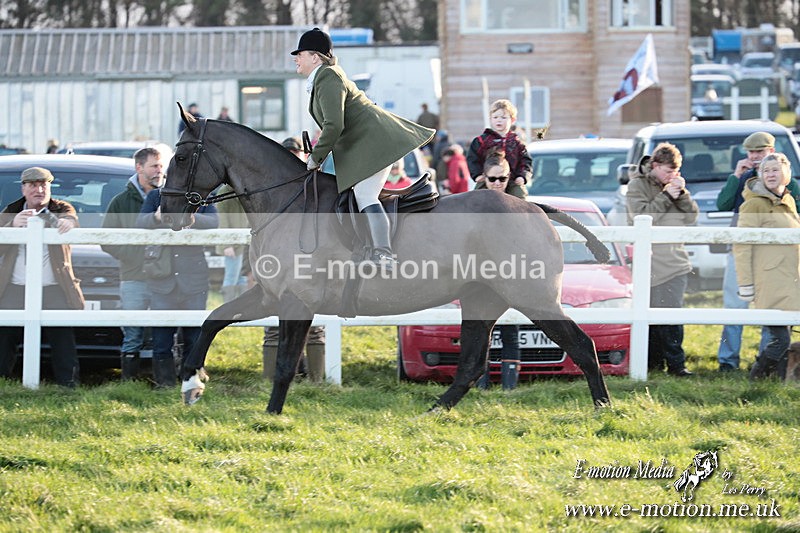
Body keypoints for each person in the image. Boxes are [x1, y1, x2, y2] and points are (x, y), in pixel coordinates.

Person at [291, 27, 434, 271]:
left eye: (300, 54)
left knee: (365, 195)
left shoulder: (327, 76)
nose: (296, 59)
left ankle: (384, 254)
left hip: (375, 142)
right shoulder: (324, 77)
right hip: (365, 144)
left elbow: (334, 124)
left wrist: (315, 157)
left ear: (315, 56)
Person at [715, 132, 800, 372]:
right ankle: (728, 361)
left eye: (760, 152)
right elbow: (722, 204)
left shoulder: (786, 182)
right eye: (751, 153)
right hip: (742, 249)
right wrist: (736, 176)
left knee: (771, 312)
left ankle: (767, 360)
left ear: (771, 151)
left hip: (774, 259)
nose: (755, 157)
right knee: (735, 307)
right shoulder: (745, 179)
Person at [0, 167, 83, 387]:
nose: (39, 190)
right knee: (5, 338)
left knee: (63, 339)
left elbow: (71, 218)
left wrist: (67, 223)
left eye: (44, 185)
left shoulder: (60, 208)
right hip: (16, 286)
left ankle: (69, 387)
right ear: (23, 188)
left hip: (54, 287)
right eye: (34, 185)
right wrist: (12, 226)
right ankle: (3, 384)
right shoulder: (11, 210)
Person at [626, 142, 699, 377]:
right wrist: (667, 195)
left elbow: (691, 217)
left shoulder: (674, 184)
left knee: (673, 316)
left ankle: (677, 365)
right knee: (649, 317)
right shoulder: (637, 185)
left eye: (675, 172)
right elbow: (642, 217)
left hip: (676, 262)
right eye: (668, 171)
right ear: (655, 166)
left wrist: (682, 194)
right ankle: (652, 364)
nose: (672, 176)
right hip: (649, 263)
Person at [136, 189, 218, 388]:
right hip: (162, 279)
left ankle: (190, 380)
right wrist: (156, 217)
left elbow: (214, 221)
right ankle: (164, 384)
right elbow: (140, 222)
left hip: (193, 279)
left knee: (194, 336)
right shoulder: (155, 196)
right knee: (161, 338)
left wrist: (190, 217)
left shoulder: (200, 195)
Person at [262, 135, 326, 382]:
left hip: (309, 262)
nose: (292, 158)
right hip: (276, 265)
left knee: (314, 327)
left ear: (304, 156)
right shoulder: (272, 189)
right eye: (287, 154)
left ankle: (317, 381)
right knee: (274, 326)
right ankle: (271, 381)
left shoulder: (317, 184)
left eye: (295, 154)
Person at [733, 152, 800, 380]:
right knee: (779, 338)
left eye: (775, 170)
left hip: (791, 280)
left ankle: (778, 382)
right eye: (766, 171)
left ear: (786, 173)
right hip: (770, 281)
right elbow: (742, 245)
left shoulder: (788, 200)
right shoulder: (753, 205)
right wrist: (746, 284)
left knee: (785, 336)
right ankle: (757, 378)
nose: (771, 174)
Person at [102, 147, 165, 380]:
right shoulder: (120, 202)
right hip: (133, 275)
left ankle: (163, 381)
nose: (159, 170)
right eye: (154, 166)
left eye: (161, 165)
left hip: (166, 276)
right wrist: (134, 255)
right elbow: (106, 240)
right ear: (139, 167)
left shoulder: (171, 197)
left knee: (166, 329)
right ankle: (128, 382)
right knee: (133, 332)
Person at [475, 151, 523, 389]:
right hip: (480, 278)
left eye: (502, 179)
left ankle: (509, 389)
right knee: (483, 332)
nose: (497, 184)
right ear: (483, 177)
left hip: (507, 275)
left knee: (510, 331)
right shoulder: (470, 201)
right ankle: (480, 385)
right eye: (492, 179)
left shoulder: (519, 204)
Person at [467, 99, 532, 199]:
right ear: (490, 119)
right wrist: (477, 175)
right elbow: (472, 159)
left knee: (521, 198)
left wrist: (522, 176)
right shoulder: (481, 140)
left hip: (511, 180)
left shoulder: (517, 142)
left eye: (503, 117)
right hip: (488, 180)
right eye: (495, 117)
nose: (499, 120)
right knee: (475, 200)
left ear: (512, 120)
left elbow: (525, 161)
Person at [215, 183, 249, 303]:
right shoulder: (224, 192)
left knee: (242, 278)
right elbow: (222, 220)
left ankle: (242, 309)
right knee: (231, 278)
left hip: (243, 241)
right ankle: (228, 308)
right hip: (232, 244)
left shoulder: (242, 189)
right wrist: (227, 244)